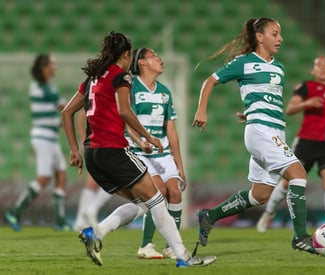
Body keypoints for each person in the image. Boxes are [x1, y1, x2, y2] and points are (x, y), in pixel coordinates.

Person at [61, 31, 214, 268]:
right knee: (157, 199)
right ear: (125, 55)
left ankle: (97, 233)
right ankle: (183, 257)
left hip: (93, 154)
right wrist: (147, 136)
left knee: (143, 203)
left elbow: (67, 112)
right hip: (114, 150)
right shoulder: (121, 77)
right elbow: (124, 111)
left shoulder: (92, 79)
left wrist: (74, 150)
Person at [192, 18, 317, 254]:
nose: (280, 39)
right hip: (261, 132)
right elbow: (210, 81)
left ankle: (209, 216)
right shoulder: (244, 63)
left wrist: (251, 111)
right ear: (260, 37)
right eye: (275, 33)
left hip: (272, 129)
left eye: (280, 34)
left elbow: (265, 99)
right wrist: (201, 109)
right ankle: (300, 236)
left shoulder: (279, 67)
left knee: (259, 195)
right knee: (298, 175)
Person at [256, 55, 325, 233]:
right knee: (286, 183)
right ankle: (269, 213)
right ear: (313, 71)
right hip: (307, 142)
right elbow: (290, 109)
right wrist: (307, 103)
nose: (322, 68)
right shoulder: (306, 87)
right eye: (318, 65)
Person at [127, 48, 186, 259]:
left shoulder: (164, 92)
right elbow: (126, 120)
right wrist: (140, 142)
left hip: (163, 153)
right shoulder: (131, 87)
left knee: (176, 191)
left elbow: (171, 130)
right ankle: (146, 245)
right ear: (141, 62)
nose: (160, 58)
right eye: (153, 56)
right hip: (140, 152)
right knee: (158, 190)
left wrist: (179, 164)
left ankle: (172, 246)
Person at [5, 54, 70, 232]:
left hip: (50, 137)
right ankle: (14, 212)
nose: (55, 67)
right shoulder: (40, 88)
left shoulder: (47, 87)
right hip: (43, 138)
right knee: (44, 178)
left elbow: (50, 114)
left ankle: (60, 220)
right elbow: (62, 107)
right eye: (52, 64)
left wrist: (59, 123)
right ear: (44, 67)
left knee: (61, 176)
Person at [73, 109, 112, 232]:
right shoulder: (101, 93)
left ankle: (80, 220)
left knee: (93, 181)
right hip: (104, 141)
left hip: (98, 140)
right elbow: (81, 116)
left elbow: (81, 117)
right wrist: (84, 140)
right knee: (116, 180)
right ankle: (91, 210)